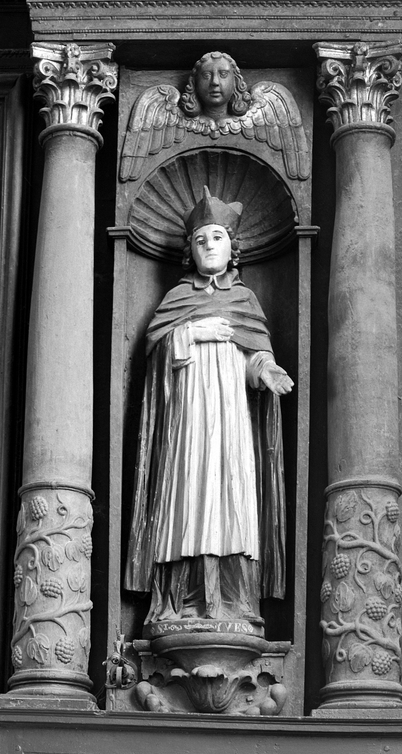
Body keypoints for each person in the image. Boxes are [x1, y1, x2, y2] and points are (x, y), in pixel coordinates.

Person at [124, 187, 293, 625]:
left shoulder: (245, 302)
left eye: (216, 238)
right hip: (187, 421)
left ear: (232, 247)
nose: (208, 247)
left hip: (231, 420)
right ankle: (177, 602)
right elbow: (156, 355)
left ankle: (235, 602)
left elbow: (254, 356)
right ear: (191, 251)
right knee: (186, 495)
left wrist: (265, 371)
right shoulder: (176, 301)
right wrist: (192, 333)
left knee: (230, 495)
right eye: (200, 241)